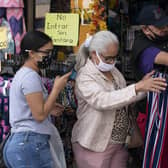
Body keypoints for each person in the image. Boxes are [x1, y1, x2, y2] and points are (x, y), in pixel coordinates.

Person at [71, 30, 167, 168]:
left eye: (114, 57)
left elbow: (123, 97)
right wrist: (137, 87)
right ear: (94, 54)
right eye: (108, 58)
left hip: (119, 144)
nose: (111, 61)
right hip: (95, 145)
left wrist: (146, 88)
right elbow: (102, 100)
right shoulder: (85, 76)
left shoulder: (114, 72)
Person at [3, 30, 71, 168]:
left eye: (51, 52)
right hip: (30, 143)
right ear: (31, 53)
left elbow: (29, 109)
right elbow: (39, 115)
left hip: (22, 143)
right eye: (46, 52)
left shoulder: (22, 74)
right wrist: (57, 88)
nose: (49, 56)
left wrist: (50, 108)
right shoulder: (30, 77)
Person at [132, 4, 168, 168]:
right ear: (146, 29)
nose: (165, 28)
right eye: (160, 27)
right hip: (153, 115)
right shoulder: (143, 48)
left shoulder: (162, 38)